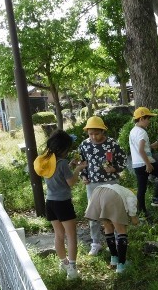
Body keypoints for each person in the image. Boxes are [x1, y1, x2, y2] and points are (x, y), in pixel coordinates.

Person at [34, 130, 87, 280]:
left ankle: (64, 263)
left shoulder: (47, 161)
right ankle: (72, 269)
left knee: (58, 235)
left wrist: (70, 166)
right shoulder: (62, 163)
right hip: (63, 203)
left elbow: (57, 175)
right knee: (71, 235)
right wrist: (78, 169)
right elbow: (70, 182)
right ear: (63, 148)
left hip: (50, 202)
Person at [78, 116, 127, 256]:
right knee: (94, 214)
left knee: (113, 212)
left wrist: (115, 169)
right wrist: (83, 176)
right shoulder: (84, 145)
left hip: (111, 182)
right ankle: (95, 242)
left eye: (97, 133)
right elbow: (81, 162)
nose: (94, 137)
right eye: (90, 134)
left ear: (103, 131)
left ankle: (116, 240)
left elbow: (123, 159)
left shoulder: (112, 143)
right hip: (92, 184)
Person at [85, 184, 139, 273]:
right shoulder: (131, 194)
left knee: (108, 227)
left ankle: (114, 258)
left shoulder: (121, 189)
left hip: (97, 193)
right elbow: (131, 204)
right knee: (121, 230)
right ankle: (121, 265)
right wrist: (133, 217)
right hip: (112, 196)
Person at [129, 107, 158, 218]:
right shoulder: (142, 132)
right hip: (145, 163)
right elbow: (141, 150)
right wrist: (148, 164)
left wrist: (151, 146)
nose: (149, 121)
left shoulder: (133, 131)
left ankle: (141, 212)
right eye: (148, 119)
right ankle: (156, 198)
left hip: (137, 164)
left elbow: (139, 148)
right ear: (141, 118)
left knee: (141, 188)